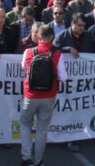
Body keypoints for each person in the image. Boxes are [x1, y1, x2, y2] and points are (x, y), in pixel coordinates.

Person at [20, 24, 68, 166]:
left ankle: (27, 158)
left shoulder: (29, 52)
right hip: (49, 96)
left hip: (30, 95)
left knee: (25, 125)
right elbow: (64, 77)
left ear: (38, 36)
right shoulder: (57, 53)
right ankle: (38, 161)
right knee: (42, 129)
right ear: (52, 37)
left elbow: (25, 69)